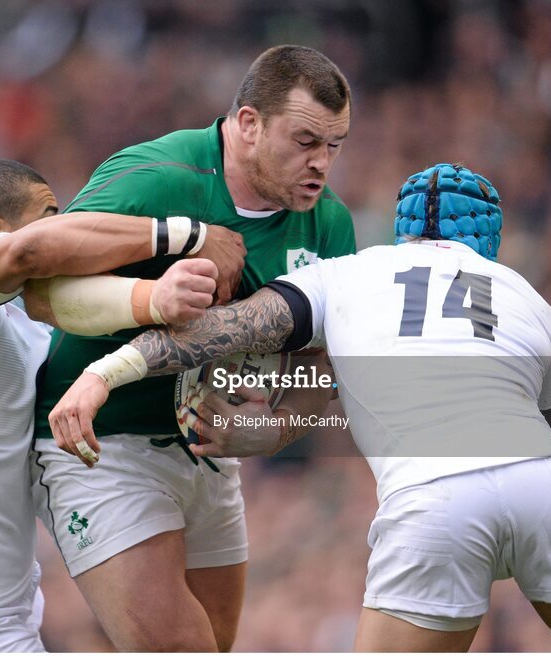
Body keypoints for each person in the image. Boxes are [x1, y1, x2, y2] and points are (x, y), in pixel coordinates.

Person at [54, 163, 551, 652]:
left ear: (403, 233)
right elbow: (539, 421)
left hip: (432, 506)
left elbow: (224, 330)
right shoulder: (530, 300)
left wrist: (105, 372)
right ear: (489, 242)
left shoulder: (346, 274)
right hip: (547, 486)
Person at [32, 45, 356, 650]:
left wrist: (277, 428)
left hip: (209, 459)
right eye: (306, 140)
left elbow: (331, 362)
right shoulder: (161, 176)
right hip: (103, 448)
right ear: (249, 124)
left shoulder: (329, 224)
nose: (321, 164)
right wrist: (151, 291)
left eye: (334, 146)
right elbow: (38, 286)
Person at [0, 158, 243, 651]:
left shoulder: (31, 327)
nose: (68, 228)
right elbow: (30, 254)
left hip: (6, 619)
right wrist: (188, 235)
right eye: (52, 215)